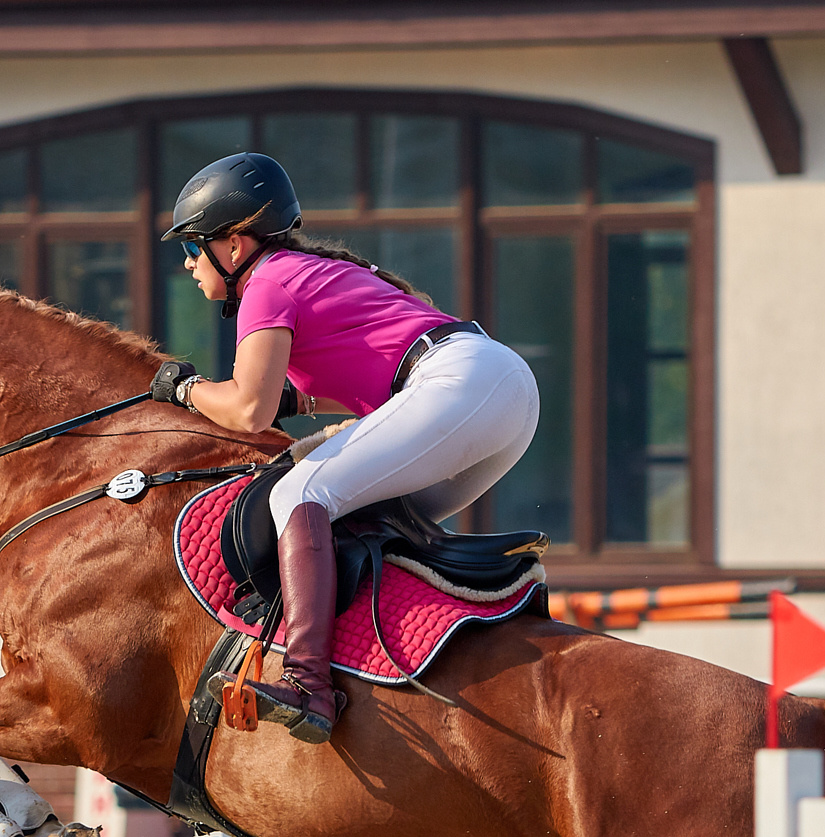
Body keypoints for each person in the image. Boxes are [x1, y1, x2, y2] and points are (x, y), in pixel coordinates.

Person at [151, 152, 540, 744]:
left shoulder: (267, 282)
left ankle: (310, 686)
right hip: (498, 392)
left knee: (301, 492)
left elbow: (248, 411)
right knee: (360, 518)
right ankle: (398, 661)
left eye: (193, 246)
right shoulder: (302, 270)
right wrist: (296, 405)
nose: (187, 263)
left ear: (233, 245)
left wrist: (184, 388)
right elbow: (349, 374)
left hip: (461, 384)